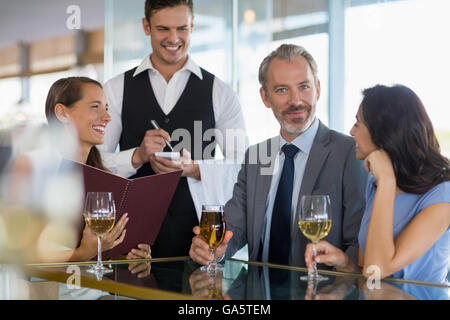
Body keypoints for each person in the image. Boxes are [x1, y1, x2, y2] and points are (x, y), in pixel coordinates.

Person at [189, 44, 368, 269]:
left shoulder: (348, 153)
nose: (296, 100)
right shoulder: (256, 156)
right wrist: (214, 250)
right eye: (282, 90)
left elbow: (359, 244)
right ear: (265, 97)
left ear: (318, 89)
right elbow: (234, 229)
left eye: (304, 87)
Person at [99, 0, 247, 258]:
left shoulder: (220, 92)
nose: (173, 38)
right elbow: (95, 164)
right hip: (132, 241)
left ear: (193, 26)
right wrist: (137, 156)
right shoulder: (115, 89)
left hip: (198, 241)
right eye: (163, 29)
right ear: (146, 26)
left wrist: (194, 168)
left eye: (182, 29)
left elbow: (243, 167)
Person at [304, 84, 450, 283]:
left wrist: (387, 180)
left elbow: (377, 269)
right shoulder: (376, 183)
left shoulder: (443, 192)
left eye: (358, 124)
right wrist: (346, 263)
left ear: (383, 132)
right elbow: (368, 270)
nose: (351, 131)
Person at [10, 77, 151, 263]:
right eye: (95, 107)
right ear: (62, 113)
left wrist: (127, 256)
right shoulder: (31, 166)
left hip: (95, 289)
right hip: (47, 290)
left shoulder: (105, 177)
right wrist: (82, 253)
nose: (107, 117)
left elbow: (102, 254)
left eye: (107, 108)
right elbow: (16, 250)